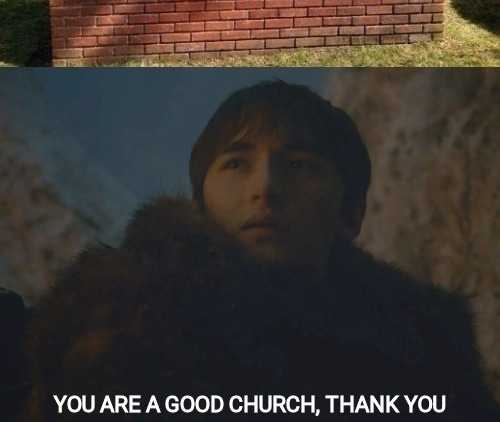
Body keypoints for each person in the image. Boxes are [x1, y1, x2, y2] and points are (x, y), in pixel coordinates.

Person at [17, 82, 499, 420]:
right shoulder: (112, 325)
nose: (265, 188)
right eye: (235, 164)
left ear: (350, 211)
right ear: (198, 203)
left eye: (300, 164)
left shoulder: (429, 351)